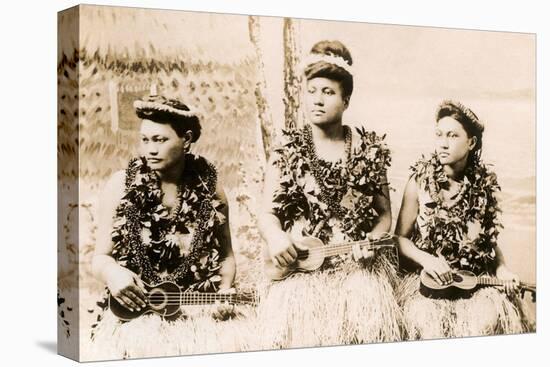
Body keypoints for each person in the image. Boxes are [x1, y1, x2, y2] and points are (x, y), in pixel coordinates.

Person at [256, 40, 401, 349]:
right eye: (312, 91)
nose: (317, 101)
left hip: (355, 263)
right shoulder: (286, 149)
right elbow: (267, 212)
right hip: (303, 263)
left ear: (346, 100)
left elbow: (385, 214)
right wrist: (277, 237)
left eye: (328, 92)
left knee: (364, 327)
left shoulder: (368, 149)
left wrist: (371, 241)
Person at [87, 94, 252, 359]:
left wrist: (224, 292)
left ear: (186, 140)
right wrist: (112, 273)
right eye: (145, 140)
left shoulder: (211, 189)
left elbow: (226, 256)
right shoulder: (120, 186)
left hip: (197, 311)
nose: (150, 149)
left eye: (160, 140)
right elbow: (99, 258)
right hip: (139, 313)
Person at [395, 100, 534, 339]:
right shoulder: (419, 182)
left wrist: (502, 269)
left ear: (471, 142)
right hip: (429, 281)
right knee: (428, 326)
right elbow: (400, 238)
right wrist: (426, 259)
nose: (442, 143)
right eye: (438, 134)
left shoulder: (484, 187)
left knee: (484, 323)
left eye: (452, 135)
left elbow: (488, 242)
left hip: (472, 280)